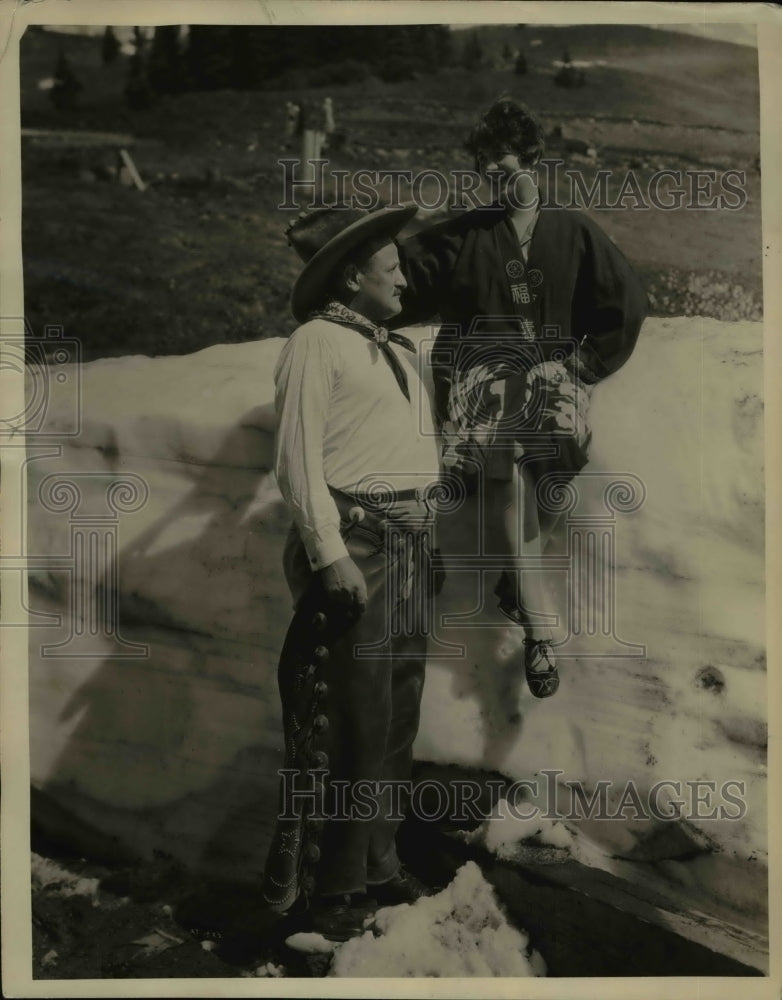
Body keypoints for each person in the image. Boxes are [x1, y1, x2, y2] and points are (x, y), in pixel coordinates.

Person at [394, 97, 647, 698]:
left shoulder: (573, 230)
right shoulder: (464, 237)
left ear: (534, 159)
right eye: (484, 170)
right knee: (505, 461)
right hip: (479, 375)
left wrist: (579, 364)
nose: (494, 180)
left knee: (553, 481)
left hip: (553, 372)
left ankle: (514, 584)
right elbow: (394, 278)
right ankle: (540, 632)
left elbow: (625, 303)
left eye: (504, 167)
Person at [263, 204, 442, 940]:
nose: (405, 276)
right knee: (352, 722)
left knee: (398, 712)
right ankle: (333, 888)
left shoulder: (394, 349)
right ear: (350, 277)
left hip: (410, 548)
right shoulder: (316, 343)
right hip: (356, 547)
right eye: (391, 265)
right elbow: (297, 458)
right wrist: (330, 553)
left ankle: (376, 859)